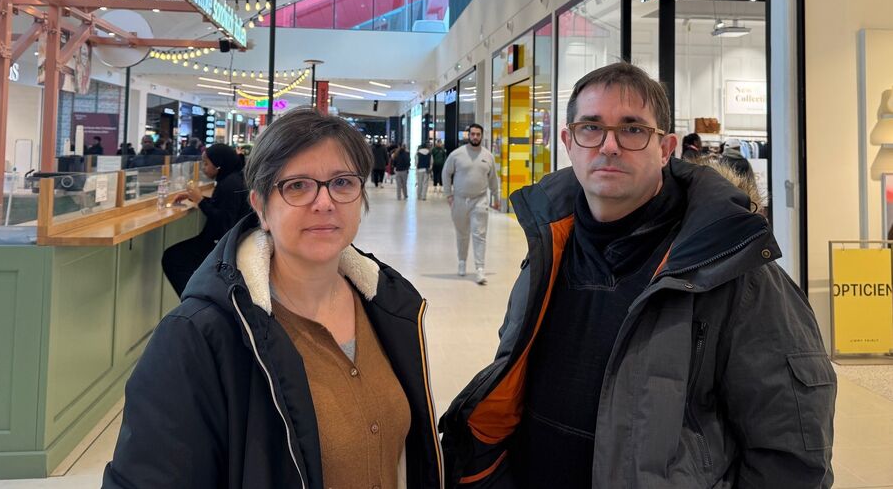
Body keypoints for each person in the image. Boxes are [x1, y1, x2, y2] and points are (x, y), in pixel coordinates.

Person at [439, 62, 835, 488]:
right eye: (591, 128)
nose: (609, 146)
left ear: (665, 148)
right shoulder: (549, 248)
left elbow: (791, 451)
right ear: (569, 142)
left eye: (632, 130)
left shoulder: (732, 270)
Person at [104, 109, 443, 489]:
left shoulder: (390, 306)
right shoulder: (198, 337)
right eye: (297, 186)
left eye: (343, 182)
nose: (324, 202)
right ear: (261, 206)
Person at [160, 143, 250, 297]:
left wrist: (200, 200)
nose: (203, 167)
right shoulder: (232, 179)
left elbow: (223, 221)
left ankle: (194, 300)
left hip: (221, 245)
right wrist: (194, 198)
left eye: (206, 163)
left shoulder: (229, 184)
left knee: (173, 258)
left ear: (219, 165)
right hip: (224, 241)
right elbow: (222, 206)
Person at [441, 124, 500, 285]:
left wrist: (496, 197)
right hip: (459, 200)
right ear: (468, 135)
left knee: (479, 234)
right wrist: (449, 195)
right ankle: (462, 261)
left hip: (480, 200)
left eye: (478, 134)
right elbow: (446, 173)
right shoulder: (457, 154)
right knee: (462, 233)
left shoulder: (488, 156)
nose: (475, 137)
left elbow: (493, 178)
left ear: (481, 136)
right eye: (472, 134)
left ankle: (480, 269)